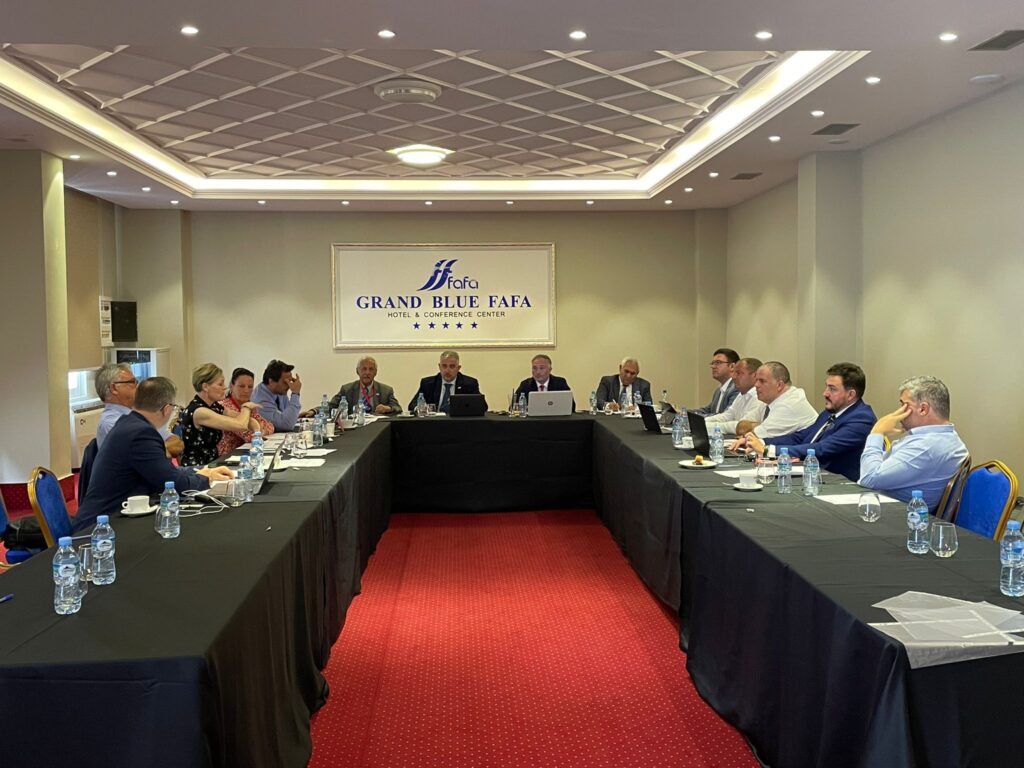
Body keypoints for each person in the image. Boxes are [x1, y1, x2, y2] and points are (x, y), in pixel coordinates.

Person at [74, 377, 233, 531]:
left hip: (115, 517)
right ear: (166, 409)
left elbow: (163, 471)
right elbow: (175, 484)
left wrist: (202, 471)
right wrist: (207, 479)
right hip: (103, 526)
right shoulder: (141, 434)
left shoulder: (129, 424)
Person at [733, 363, 876, 481]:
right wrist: (760, 442)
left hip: (839, 484)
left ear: (850, 394)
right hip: (812, 475)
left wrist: (768, 450)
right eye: (826, 387)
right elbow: (800, 437)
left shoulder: (861, 419)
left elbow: (821, 448)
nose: (825, 393)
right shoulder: (830, 412)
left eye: (832, 389)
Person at [859, 376, 969, 510]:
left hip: (897, 516)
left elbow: (869, 479)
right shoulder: (941, 438)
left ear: (923, 409)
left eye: (904, 405)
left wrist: (877, 432)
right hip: (887, 507)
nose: (899, 412)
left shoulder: (927, 447)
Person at [180, 363, 261, 466]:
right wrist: (246, 407)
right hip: (197, 468)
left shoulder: (214, 406)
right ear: (205, 387)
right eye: (220, 384)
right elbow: (240, 425)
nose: (225, 387)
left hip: (213, 463)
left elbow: (245, 419)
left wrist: (256, 431)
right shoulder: (199, 411)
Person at [94, 363, 183, 457]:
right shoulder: (111, 423)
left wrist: (158, 448)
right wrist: (161, 448)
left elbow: (176, 443)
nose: (137, 387)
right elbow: (145, 454)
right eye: (132, 382)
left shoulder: (137, 414)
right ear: (114, 388)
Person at [731, 361, 818, 440]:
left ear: (779, 385)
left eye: (762, 381)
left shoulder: (789, 405)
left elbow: (753, 436)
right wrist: (759, 425)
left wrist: (756, 426)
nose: (756, 385)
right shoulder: (768, 401)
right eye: (756, 380)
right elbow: (740, 426)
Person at [217, 367, 276, 456]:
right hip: (227, 456)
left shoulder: (249, 405)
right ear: (231, 386)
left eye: (250, 387)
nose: (246, 390)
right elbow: (249, 436)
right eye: (241, 386)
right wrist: (259, 428)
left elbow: (270, 426)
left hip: (245, 452)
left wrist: (259, 429)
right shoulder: (224, 406)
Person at [408, 350, 486, 413]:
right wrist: (421, 409)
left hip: (459, 423)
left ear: (458, 368)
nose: (447, 370)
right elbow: (412, 404)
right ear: (439, 367)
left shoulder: (469, 383)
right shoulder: (428, 383)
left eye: (452, 366)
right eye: (444, 366)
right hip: (434, 423)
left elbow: (483, 406)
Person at [704, 357, 764, 435]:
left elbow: (741, 426)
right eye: (734, 373)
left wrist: (707, 426)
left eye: (738, 373)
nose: (733, 377)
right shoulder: (741, 395)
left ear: (755, 375)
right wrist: (703, 421)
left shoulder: (760, 397)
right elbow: (727, 416)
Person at [329, 356, 402, 415]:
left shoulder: (386, 390)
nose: (367, 372)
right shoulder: (347, 389)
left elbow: (398, 408)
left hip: (378, 426)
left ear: (375, 372)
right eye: (364, 369)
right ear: (357, 371)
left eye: (371, 369)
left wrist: (388, 408)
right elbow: (330, 407)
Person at [251, 359, 307, 431]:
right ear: (271, 381)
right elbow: (286, 425)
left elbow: (287, 417)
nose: (289, 386)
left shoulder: (279, 391)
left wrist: (296, 416)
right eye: (286, 382)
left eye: (290, 381)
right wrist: (295, 393)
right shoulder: (260, 400)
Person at [692, 348, 740, 415]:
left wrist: (696, 417)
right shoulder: (719, 390)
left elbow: (726, 416)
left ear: (732, 367)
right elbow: (708, 410)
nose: (713, 366)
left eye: (718, 362)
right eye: (713, 363)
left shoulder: (737, 388)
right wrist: (683, 413)